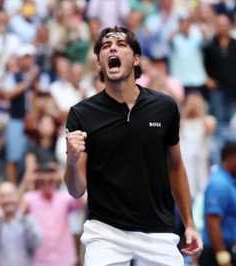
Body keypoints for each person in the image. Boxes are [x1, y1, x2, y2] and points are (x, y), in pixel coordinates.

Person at [64, 26, 203, 265]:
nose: (112, 49)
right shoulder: (81, 114)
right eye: (106, 47)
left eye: (121, 45)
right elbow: (77, 190)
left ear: (136, 59)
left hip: (157, 231)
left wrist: (189, 223)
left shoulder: (165, 107)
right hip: (105, 233)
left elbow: (176, 166)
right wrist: (72, 160)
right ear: (100, 64)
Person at [0, 182, 42, 266]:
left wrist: (22, 218)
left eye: (10, 195)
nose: (7, 200)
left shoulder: (29, 220)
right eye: (2, 196)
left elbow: (35, 243)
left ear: (17, 197)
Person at [199, 142, 236, 266]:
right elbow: (213, 221)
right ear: (231, 159)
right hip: (215, 255)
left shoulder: (229, 181)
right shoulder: (219, 184)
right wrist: (222, 257)